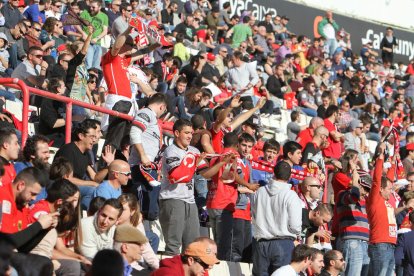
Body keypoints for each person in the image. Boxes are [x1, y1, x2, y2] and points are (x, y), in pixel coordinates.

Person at [159, 119, 230, 255]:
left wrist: (222, 163)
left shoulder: (194, 150)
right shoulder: (170, 151)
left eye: (191, 133)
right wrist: (194, 164)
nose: (190, 136)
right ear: (176, 133)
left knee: (192, 246)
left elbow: (206, 174)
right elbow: (177, 177)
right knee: (173, 246)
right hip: (172, 199)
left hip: (190, 201)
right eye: (186, 133)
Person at [251, 161, 302, 276]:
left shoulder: (259, 192)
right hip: (283, 243)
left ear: (273, 173)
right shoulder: (291, 195)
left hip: (262, 243)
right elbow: (295, 225)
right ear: (289, 177)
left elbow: (254, 215)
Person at [129, 93, 167, 223]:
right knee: (142, 208)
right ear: (162, 107)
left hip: (149, 167)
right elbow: (134, 132)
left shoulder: (151, 118)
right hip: (142, 167)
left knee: (149, 209)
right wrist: (143, 156)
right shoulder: (146, 112)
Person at [335, 169, 371, 276]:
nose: (366, 191)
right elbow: (354, 196)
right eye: (364, 187)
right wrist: (355, 181)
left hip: (365, 242)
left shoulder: (366, 200)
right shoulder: (343, 194)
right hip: (352, 241)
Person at [152, 239, 220, 276]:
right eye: (205, 264)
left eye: (210, 264)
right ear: (191, 260)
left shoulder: (200, 272)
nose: (208, 268)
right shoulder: (169, 273)